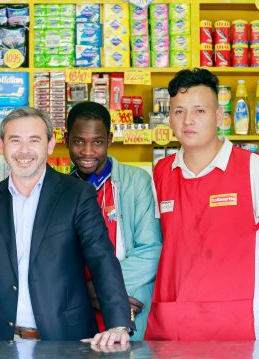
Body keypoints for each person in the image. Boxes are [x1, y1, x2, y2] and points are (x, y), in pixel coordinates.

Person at [0, 107, 135, 345]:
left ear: (50, 145)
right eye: (15, 140)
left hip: (67, 340)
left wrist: (118, 323)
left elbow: (101, 258)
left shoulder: (78, 195)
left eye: (34, 140)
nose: (24, 150)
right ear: (1, 146)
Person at [146, 68, 259, 341]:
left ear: (219, 116)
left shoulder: (253, 168)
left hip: (238, 328)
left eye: (199, 111)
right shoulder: (161, 172)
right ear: (169, 117)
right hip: (172, 327)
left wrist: (256, 295)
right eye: (179, 111)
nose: (188, 121)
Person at [65, 101, 162, 339]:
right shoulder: (60, 189)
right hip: (77, 307)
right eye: (78, 141)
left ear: (109, 140)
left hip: (126, 301)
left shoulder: (134, 181)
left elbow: (150, 251)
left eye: (97, 142)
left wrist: (101, 289)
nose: (87, 152)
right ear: (66, 139)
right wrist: (83, 292)